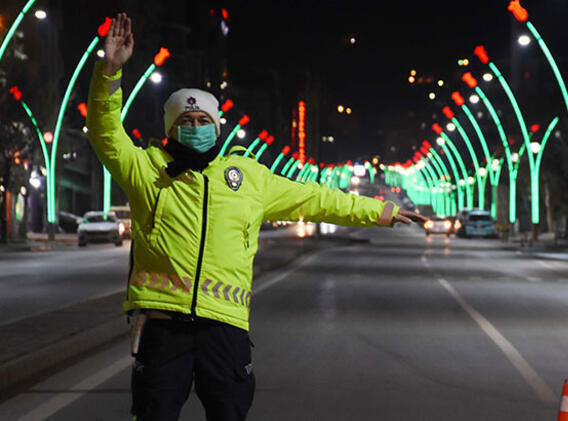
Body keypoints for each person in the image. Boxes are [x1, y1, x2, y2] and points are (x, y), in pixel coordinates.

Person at [87, 13, 425, 421]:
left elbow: (318, 198)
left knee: (230, 414)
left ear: (217, 127)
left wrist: (382, 211)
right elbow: (105, 131)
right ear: (170, 129)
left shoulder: (246, 177)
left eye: (203, 121)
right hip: (163, 326)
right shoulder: (147, 170)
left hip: (224, 329)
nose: (195, 127)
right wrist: (109, 71)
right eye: (186, 122)